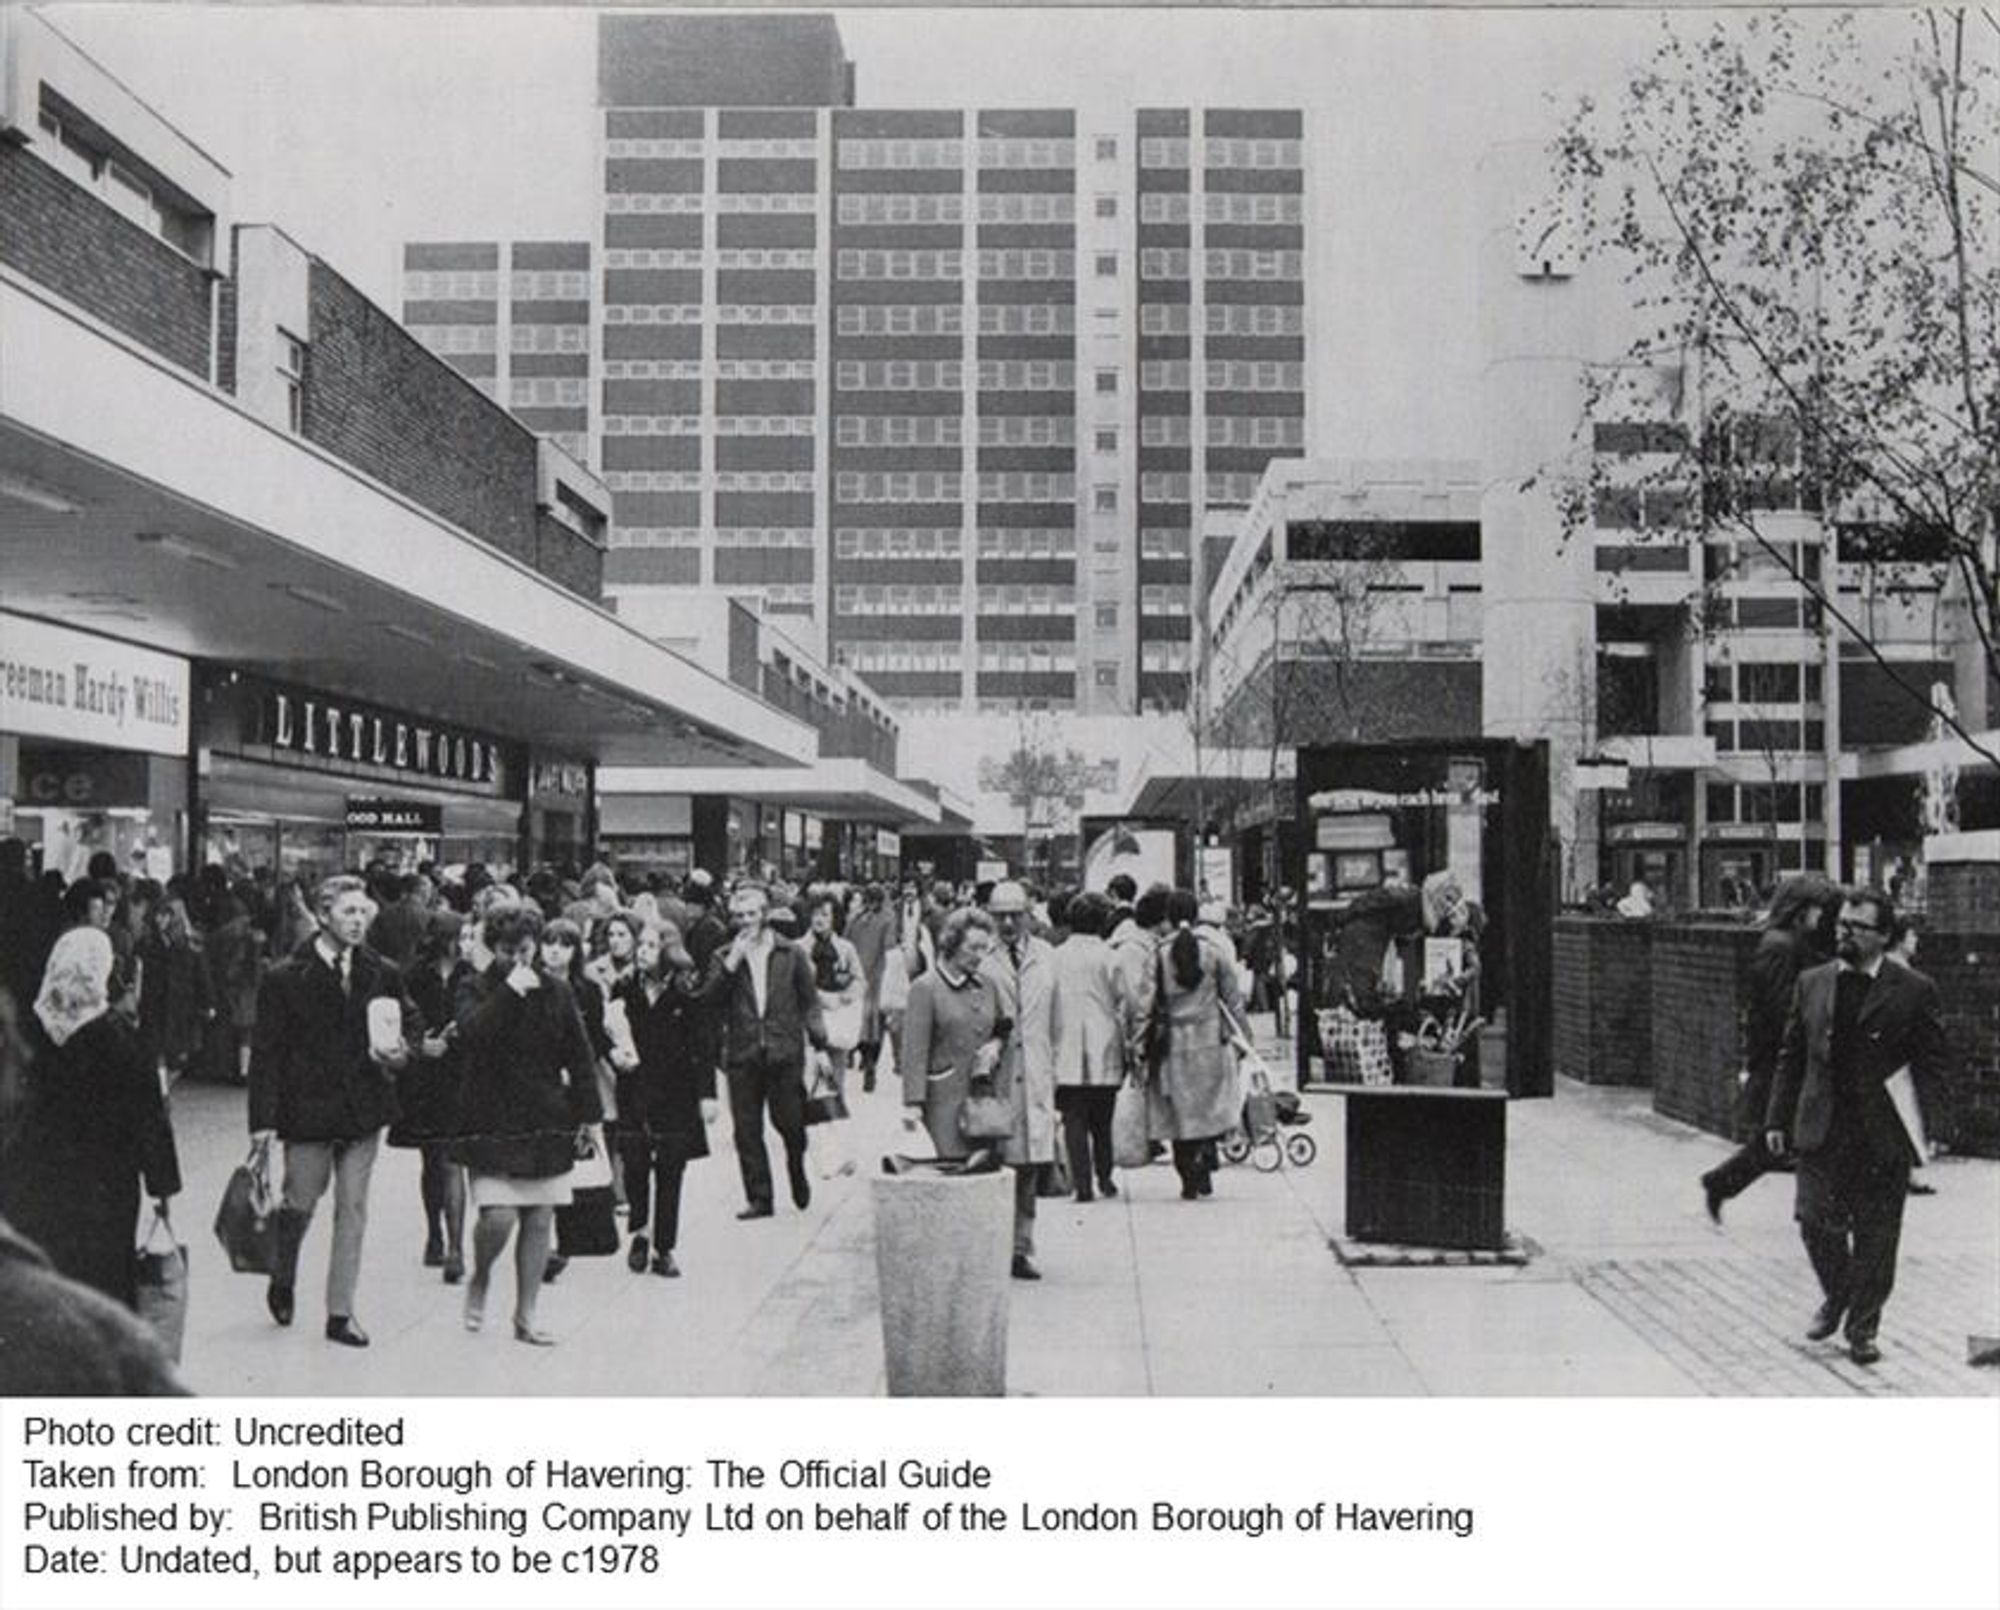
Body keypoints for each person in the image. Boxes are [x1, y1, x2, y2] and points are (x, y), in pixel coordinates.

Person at [1765, 889, 1948, 1366]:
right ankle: (1839, 1292)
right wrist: (1775, 1119)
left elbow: (1932, 1062)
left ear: (1883, 935)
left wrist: (1933, 1124)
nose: (1843, 932)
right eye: (1841, 923)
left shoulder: (1913, 989)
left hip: (1881, 1132)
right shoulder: (1812, 982)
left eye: (1856, 926)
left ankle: (1863, 1329)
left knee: (1877, 1235)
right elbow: (1791, 1056)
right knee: (1812, 1220)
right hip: (1822, 1126)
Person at [248, 874, 416, 1349]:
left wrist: (403, 1051)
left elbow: (411, 1020)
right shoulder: (284, 977)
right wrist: (262, 1122)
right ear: (322, 916)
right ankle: (283, 1273)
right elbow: (267, 1054)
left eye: (364, 912)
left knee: (353, 1208)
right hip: (307, 1110)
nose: (359, 920)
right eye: (348, 912)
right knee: (299, 1200)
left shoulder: (382, 971)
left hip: (364, 1108)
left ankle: (340, 1312)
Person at [0, 928, 181, 1308]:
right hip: (106, 1190)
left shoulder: (25, 1036)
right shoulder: (123, 1041)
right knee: (104, 1287)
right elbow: (151, 1121)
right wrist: (162, 1187)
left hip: (32, 1183)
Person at [452, 903, 602, 1345]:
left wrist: (590, 1115)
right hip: (490, 1118)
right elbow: (472, 1034)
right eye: (506, 951)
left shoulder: (558, 992)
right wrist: (508, 992)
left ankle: (526, 1313)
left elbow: (580, 1055)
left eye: (524, 949)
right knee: (497, 1217)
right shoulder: (473, 987)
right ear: (492, 948)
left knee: (539, 1219)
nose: (517, 959)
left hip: (546, 1118)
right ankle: (480, 1276)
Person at [1701, 875, 1833, 1222]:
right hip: (1780, 1057)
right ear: (1799, 911)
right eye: (1815, 908)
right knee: (1786, 1135)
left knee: (1782, 1137)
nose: (1820, 916)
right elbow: (1780, 1005)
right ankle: (1722, 1183)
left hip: (1782, 1055)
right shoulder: (1780, 946)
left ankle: (1721, 1183)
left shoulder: (1789, 943)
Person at [699, 884, 832, 1219]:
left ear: (765, 915)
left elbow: (809, 1002)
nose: (745, 922)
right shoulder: (723, 956)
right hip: (743, 1052)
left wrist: (819, 1044)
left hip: (783, 1050)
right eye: (739, 916)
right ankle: (760, 1197)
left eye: (752, 914)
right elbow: (708, 1002)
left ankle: (796, 1167)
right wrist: (732, 963)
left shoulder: (790, 953)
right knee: (746, 1128)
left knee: (789, 1121)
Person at [609, 921, 717, 1278]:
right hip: (635, 1087)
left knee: (671, 1170)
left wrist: (707, 1095)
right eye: (641, 944)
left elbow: (703, 1047)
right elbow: (607, 1030)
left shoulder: (687, 994)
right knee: (635, 1165)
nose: (642, 950)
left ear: (668, 951)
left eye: (651, 945)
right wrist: (614, 1055)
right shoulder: (624, 987)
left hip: (676, 1094)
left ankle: (664, 1247)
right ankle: (640, 1231)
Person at [1134, 889, 1247, 1200]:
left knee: (1179, 1114)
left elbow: (1144, 1005)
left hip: (1172, 1043)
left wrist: (1137, 1044)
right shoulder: (1213, 952)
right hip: (1210, 1040)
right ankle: (1206, 1162)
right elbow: (1234, 1001)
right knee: (1207, 1109)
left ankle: (1187, 1173)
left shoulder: (1158, 954)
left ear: (1168, 917)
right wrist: (1245, 1039)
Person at [977, 881, 1059, 1280]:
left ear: (1029, 914)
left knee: (1027, 1167)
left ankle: (1021, 1248)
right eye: (999, 916)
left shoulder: (1047, 957)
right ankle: (989, 1246)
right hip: (995, 1076)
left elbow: (1057, 1020)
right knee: (992, 1161)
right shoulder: (980, 958)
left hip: (1037, 1072)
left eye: (1015, 914)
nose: (1008, 923)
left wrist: (1052, 1070)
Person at [387, 912, 471, 1283]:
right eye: (461, 935)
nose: (467, 941)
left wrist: (461, 1032)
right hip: (423, 1080)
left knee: (452, 1160)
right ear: (446, 939)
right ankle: (435, 1234)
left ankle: (454, 1247)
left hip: (459, 1077)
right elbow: (401, 1024)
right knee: (432, 1161)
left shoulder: (472, 976)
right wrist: (422, 1046)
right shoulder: (413, 976)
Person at [900, 906, 1009, 1166]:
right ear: (952, 943)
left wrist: (996, 1045)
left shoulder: (988, 985)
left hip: (982, 1100)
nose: (980, 956)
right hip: (944, 1100)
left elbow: (1002, 1026)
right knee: (948, 1169)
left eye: (985, 948)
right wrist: (913, 1102)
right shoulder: (926, 987)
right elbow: (914, 1050)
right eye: (973, 947)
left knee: (982, 1168)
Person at [1048, 890, 1129, 1203]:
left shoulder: (1057, 956)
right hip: (1103, 1041)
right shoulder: (1110, 955)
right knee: (1102, 1119)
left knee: (1073, 1118)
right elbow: (1124, 997)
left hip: (1066, 1043)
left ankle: (1081, 1183)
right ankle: (1105, 1176)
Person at [137, 895, 212, 1086]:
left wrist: (208, 1002)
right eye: (158, 915)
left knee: (178, 1058)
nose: (160, 920)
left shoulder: (190, 945)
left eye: (165, 915)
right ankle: (161, 1094)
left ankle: (163, 1089)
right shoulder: (147, 944)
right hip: (155, 1004)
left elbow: (202, 976)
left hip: (181, 1006)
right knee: (158, 1052)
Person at [845, 884, 896, 1094]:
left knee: (857, 1021)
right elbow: (889, 947)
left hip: (855, 977)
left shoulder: (855, 918)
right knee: (875, 1025)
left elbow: (844, 943)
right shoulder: (888, 919)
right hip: (876, 977)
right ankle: (870, 1066)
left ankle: (854, 1054)